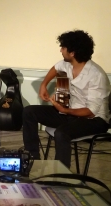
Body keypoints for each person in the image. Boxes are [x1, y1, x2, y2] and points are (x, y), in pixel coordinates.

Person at [22, 30, 110, 168]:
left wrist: (64, 110)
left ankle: (61, 176)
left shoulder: (96, 75)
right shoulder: (67, 63)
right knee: (29, 111)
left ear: (72, 53)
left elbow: (91, 112)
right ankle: (32, 158)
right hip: (71, 112)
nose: (60, 50)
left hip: (95, 120)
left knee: (62, 133)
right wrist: (43, 85)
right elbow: (55, 68)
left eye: (63, 47)